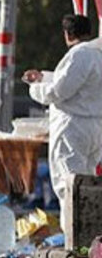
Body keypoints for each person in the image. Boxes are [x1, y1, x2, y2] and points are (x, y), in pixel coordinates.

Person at [24, 14, 102, 236]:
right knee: (87, 186)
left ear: (67, 34)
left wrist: (35, 88)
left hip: (73, 129)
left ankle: (75, 241)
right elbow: (73, 82)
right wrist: (44, 77)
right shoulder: (97, 54)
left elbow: (59, 91)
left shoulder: (80, 55)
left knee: (69, 186)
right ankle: (89, 238)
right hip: (95, 127)